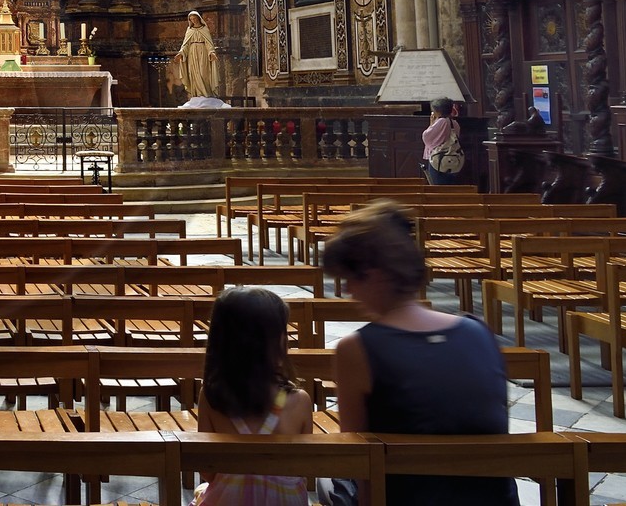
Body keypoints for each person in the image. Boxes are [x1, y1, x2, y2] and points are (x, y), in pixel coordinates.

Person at [322, 202, 519, 506]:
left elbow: (360, 463)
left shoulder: (356, 349)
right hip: (490, 500)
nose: (348, 290)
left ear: (375, 275)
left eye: (351, 278)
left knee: (330, 482)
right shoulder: (479, 332)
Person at [193, 287, 312, 506]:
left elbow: (208, 472)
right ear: (277, 342)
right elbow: (304, 469)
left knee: (201, 490)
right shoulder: (300, 401)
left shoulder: (211, 397)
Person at [175, 11, 217, 99]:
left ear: (199, 18)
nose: (193, 20)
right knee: (194, 74)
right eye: (191, 19)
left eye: (195, 18)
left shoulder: (204, 29)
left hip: (203, 53)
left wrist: (211, 52)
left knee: (203, 73)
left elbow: (209, 43)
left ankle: (206, 94)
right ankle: (197, 94)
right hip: (192, 54)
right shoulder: (189, 30)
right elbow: (185, 44)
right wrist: (181, 53)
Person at [421, 97, 462, 185]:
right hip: (453, 158)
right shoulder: (454, 123)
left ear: (438, 111)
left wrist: (431, 124)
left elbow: (427, 136)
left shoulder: (441, 122)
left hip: (439, 158)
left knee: (438, 186)